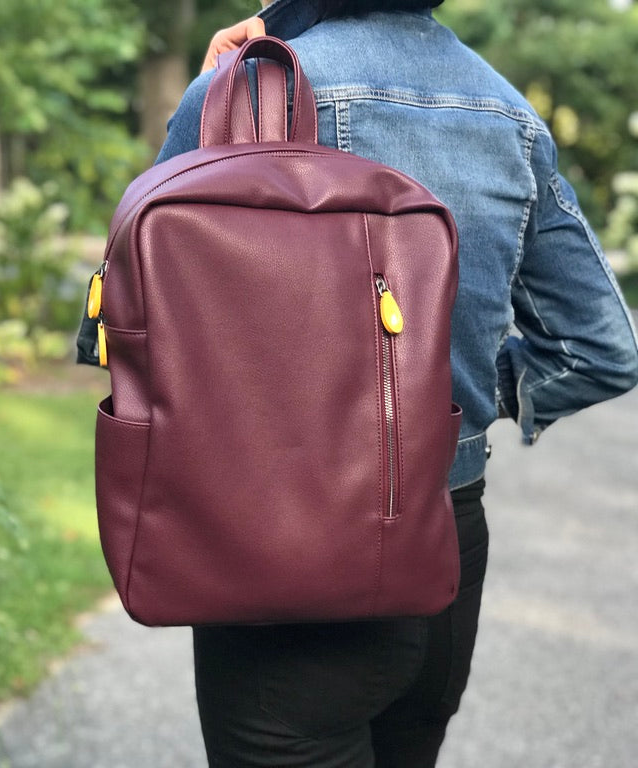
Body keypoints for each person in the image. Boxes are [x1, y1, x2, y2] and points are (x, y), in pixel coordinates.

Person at [151, 1, 638, 766]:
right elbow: (600, 348)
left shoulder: (241, 95)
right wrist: (451, 406)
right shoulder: (509, 115)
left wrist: (217, 95)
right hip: (442, 549)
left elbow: (126, 331)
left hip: (280, 551)